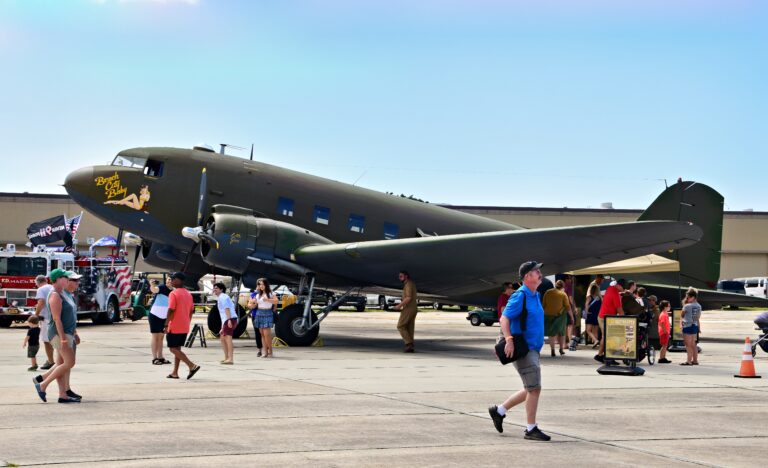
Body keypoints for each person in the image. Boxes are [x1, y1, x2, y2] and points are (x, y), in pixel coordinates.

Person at [488, 260, 551, 442]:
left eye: (539, 270)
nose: (540, 273)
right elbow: (504, 318)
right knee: (534, 388)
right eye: (536, 271)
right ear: (527, 277)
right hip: (523, 349)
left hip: (533, 348)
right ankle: (531, 429)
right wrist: (508, 340)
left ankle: (499, 411)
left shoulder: (535, 294)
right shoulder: (520, 295)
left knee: (530, 388)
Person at [33, 269, 82, 403]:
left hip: (66, 332)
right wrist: (64, 339)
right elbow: (56, 319)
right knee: (69, 362)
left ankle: (62, 395)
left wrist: (74, 333)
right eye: (64, 277)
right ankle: (42, 385)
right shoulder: (55, 295)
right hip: (59, 333)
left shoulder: (63, 294)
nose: (67, 279)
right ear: (57, 279)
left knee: (60, 363)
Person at [164, 272, 200, 379]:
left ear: (180, 280)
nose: (171, 280)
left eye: (173, 278)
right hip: (184, 325)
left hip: (174, 325)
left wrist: (166, 324)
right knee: (177, 349)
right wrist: (187, 322)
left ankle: (191, 365)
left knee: (172, 348)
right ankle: (175, 373)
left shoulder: (173, 294)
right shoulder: (188, 294)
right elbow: (191, 311)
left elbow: (171, 310)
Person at [596, 278, 625, 362]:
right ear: (619, 285)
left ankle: (605, 356)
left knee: (608, 336)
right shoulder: (615, 294)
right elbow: (620, 310)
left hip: (605, 316)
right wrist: (625, 319)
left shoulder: (610, 288)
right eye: (623, 288)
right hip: (604, 318)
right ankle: (601, 355)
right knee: (607, 337)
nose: (623, 289)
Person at [542, 280, 570, 357]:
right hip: (559, 316)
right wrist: (571, 316)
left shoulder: (548, 292)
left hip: (547, 315)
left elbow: (543, 304)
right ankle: (561, 349)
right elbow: (567, 306)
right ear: (563, 286)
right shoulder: (563, 294)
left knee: (551, 334)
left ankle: (552, 350)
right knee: (561, 333)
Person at [148, 278, 172, 365]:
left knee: (161, 337)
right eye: (168, 279)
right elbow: (154, 290)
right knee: (155, 336)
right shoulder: (162, 287)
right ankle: (155, 358)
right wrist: (152, 284)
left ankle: (160, 357)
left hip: (164, 317)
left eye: (171, 280)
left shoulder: (174, 291)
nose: (169, 281)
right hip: (155, 315)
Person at [33, 275, 55, 370]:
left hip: (46, 318)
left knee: (46, 341)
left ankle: (50, 361)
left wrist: (36, 315)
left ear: (37, 282)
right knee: (56, 340)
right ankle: (60, 360)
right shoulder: (52, 287)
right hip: (55, 317)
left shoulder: (41, 289)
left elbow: (41, 302)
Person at [393, 270, 418, 353]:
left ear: (406, 276)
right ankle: (410, 347)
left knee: (400, 326)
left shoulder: (408, 285)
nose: (399, 278)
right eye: (399, 276)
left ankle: (408, 343)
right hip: (413, 308)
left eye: (401, 276)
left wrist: (399, 306)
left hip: (408, 308)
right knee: (409, 327)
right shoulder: (410, 284)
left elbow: (408, 297)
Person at [214, 282, 238, 364]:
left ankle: (230, 359)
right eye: (214, 288)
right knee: (222, 338)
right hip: (227, 320)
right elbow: (222, 314)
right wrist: (222, 326)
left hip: (230, 319)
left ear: (221, 289)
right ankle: (226, 357)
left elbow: (227, 309)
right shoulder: (221, 297)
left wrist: (229, 320)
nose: (214, 289)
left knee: (228, 339)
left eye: (216, 288)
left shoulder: (223, 297)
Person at [254, 278, 278, 358]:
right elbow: (254, 304)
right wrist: (251, 304)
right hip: (259, 313)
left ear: (266, 285)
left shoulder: (271, 293)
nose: (261, 286)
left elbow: (276, 301)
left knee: (267, 334)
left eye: (262, 284)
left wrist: (267, 299)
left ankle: (270, 351)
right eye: (260, 284)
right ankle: (265, 352)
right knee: (262, 334)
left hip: (267, 313)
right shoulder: (258, 295)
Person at [680, 287, 702, 366]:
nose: (687, 298)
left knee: (687, 345)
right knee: (693, 344)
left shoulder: (687, 306)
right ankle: (695, 360)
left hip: (687, 326)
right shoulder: (699, 306)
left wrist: (680, 324)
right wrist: (699, 327)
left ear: (693, 297)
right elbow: (698, 317)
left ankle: (688, 361)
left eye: (688, 297)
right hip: (694, 325)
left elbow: (682, 316)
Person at [246, 290, 264, 356]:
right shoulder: (254, 294)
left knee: (265, 333)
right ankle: (260, 350)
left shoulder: (267, 293)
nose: (259, 286)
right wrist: (253, 304)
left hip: (264, 315)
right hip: (255, 315)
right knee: (257, 333)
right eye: (258, 285)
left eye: (261, 284)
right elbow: (250, 305)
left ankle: (267, 350)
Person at [584, 283, 601, 348]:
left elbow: (586, 305)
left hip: (590, 314)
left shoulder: (589, 297)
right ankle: (595, 343)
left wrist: (586, 312)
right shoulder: (599, 298)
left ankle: (595, 340)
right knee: (595, 330)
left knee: (588, 330)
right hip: (597, 315)